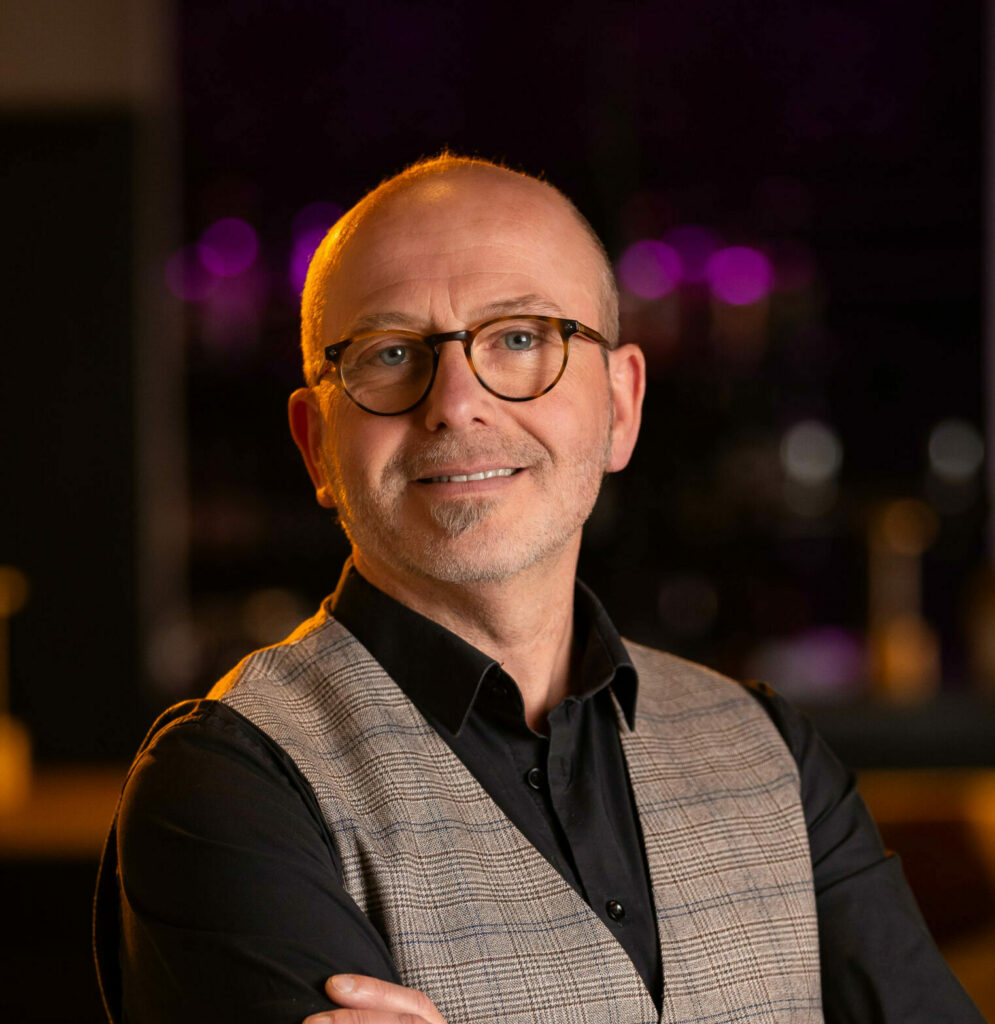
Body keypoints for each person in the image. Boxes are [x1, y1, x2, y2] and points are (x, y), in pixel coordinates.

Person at [93, 154, 984, 1024]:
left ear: (621, 405)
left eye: (519, 339)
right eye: (389, 352)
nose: (455, 402)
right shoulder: (223, 789)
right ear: (316, 444)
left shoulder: (772, 753)